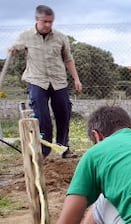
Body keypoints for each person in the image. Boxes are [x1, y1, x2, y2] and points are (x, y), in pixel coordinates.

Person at [11, 5, 82, 158]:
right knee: (42, 116)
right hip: (37, 81)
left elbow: (68, 59)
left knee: (63, 114)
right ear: (37, 20)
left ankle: (63, 147)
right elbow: (15, 48)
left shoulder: (61, 37)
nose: (48, 25)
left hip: (58, 81)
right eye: (45, 22)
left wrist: (76, 79)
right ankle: (44, 150)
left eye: (51, 22)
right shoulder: (26, 36)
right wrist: (13, 49)